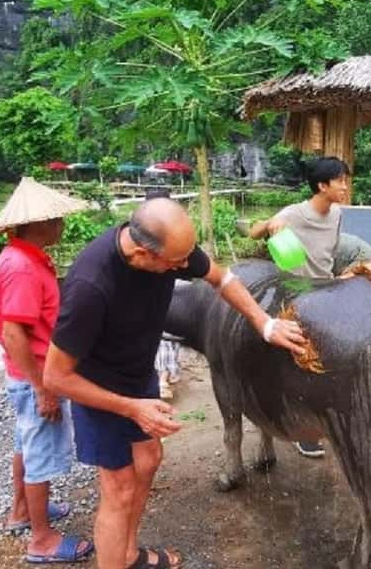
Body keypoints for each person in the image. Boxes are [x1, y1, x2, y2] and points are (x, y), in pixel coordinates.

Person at [43, 198, 309, 569]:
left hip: (137, 376)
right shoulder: (91, 286)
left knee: (149, 459)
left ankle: (129, 553)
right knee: (118, 489)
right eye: (176, 264)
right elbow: (55, 376)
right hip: (96, 387)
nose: (186, 267)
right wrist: (132, 407)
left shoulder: (171, 249)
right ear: (140, 254)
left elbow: (222, 277)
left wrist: (264, 323)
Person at [0, 177, 94, 563]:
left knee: (25, 445)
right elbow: (14, 332)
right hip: (32, 375)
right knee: (40, 454)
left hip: (21, 373)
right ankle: (42, 541)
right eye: (57, 219)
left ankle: (22, 512)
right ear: (39, 223)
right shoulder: (23, 268)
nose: (62, 225)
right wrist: (42, 387)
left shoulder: (16, 258)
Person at [249, 156, 350, 457]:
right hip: (294, 296)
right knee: (299, 366)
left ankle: (324, 420)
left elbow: (329, 255)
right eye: (340, 181)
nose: (345, 186)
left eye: (346, 180)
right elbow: (254, 232)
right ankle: (299, 429)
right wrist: (270, 224)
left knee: (330, 362)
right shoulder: (293, 213)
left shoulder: (337, 215)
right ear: (322, 185)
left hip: (327, 293)